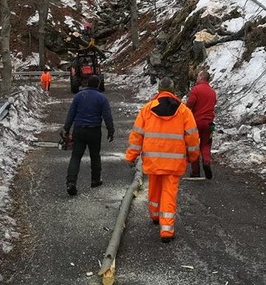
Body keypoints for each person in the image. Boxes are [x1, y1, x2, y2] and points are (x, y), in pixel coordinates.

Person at [125, 77, 200, 243]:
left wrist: (131, 155)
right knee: (169, 192)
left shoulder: (147, 110)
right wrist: (193, 156)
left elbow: (137, 135)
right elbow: (192, 137)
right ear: (173, 91)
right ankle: (166, 230)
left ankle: (154, 214)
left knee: (155, 186)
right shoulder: (184, 111)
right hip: (174, 162)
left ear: (158, 90)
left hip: (153, 160)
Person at [61, 75, 115, 196]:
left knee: (76, 156)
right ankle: (95, 179)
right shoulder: (102, 98)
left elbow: (71, 114)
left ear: (87, 84)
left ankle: (71, 182)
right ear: (97, 84)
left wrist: (66, 128)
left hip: (79, 130)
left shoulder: (79, 96)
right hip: (94, 131)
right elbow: (107, 116)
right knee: (95, 155)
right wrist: (110, 130)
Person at [186, 70, 217, 179]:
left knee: (193, 146)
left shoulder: (196, 90)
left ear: (201, 77)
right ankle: (206, 162)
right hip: (209, 123)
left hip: (196, 122)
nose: (196, 78)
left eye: (198, 76)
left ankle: (195, 172)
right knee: (206, 144)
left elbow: (189, 105)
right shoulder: (212, 92)